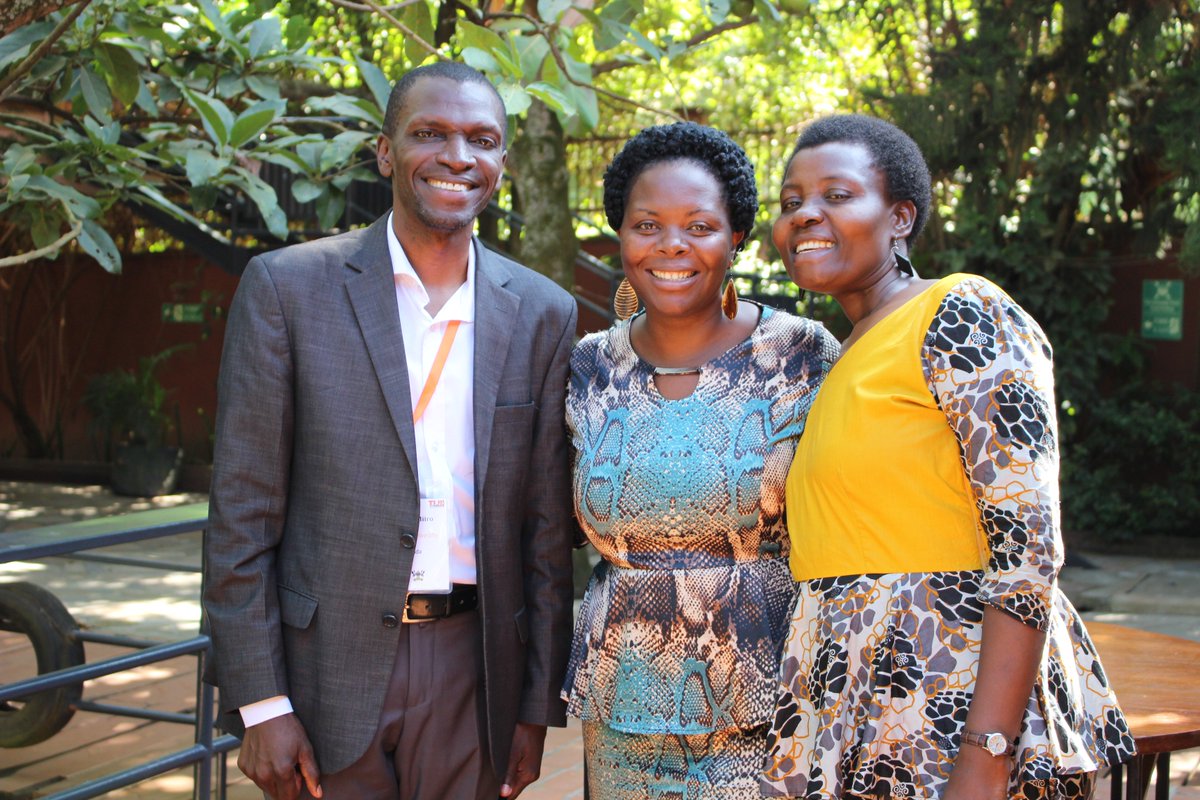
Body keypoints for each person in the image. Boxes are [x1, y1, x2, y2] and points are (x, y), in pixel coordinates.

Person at [202, 61, 577, 800]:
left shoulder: (544, 311)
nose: (457, 157)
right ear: (385, 152)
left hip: (476, 671)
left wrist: (535, 705)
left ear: (502, 161)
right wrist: (262, 703)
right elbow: (242, 513)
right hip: (325, 670)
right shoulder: (287, 288)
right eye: (429, 133)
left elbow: (544, 533)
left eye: (481, 140)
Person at [760, 113, 1136, 799]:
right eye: (791, 202)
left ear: (900, 217)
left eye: (836, 195)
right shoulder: (838, 356)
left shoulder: (959, 309)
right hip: (851, 693)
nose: (804, 215)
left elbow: (1028, 547)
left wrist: (986, 755)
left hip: (945, 693)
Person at [562, 121, 840, 799]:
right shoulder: (591, 364)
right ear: (621, 235)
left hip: (770, 698)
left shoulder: (802, 354)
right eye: (647, 225)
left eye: (699, 226)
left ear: (736, 235)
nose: (671, 245)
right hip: (622, 700)